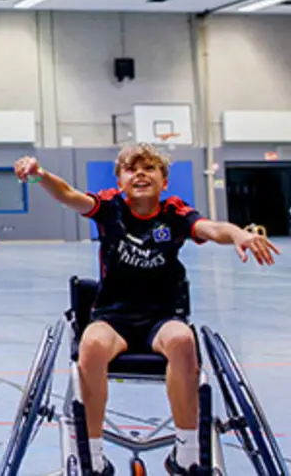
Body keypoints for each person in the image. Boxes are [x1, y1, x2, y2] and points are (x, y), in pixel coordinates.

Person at [15, 146, 279, 476]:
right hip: (113, 317)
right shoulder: (110, 207)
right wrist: (40, 175)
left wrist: (239, 233)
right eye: (131, 169)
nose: (140, 173)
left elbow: (211, 229)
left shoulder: (175, 213)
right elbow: (68, 195)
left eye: (150, 168)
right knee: (92, 345)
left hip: (162, 318)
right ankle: (94, 457)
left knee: (183, 341)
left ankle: (185, 453)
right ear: (120, 181)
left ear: (164, 181)